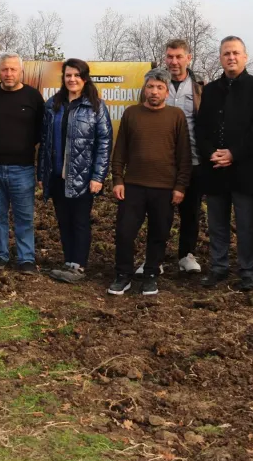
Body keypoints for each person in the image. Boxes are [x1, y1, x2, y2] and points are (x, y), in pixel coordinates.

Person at [195, 36, 253, 291]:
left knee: (247, 224)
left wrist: (233, 153)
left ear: (245, 56)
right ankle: (218, 266)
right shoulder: (211, 90)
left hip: (244, 169)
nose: (231, 57)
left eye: (236, 53)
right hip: (215, 168)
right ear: (220, 58)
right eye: (226, 53)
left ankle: (247, 270)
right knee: (216, 223)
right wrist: (212, 153)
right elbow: (201, 127)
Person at [108, 68, 191, 296]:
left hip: (164, 188)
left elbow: (184, 155)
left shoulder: (176, 116)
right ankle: (123, 275)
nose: (154, 92)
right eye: (150, 87)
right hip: (133, 185)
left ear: (166, 92)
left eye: (160, 88)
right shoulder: (131, 114)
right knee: (125, 232)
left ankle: (151, 275)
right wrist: (118, 179)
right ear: (144, 89)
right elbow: (120, 151)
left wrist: (180, 186)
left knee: (159, 233)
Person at [39, 59, 113, 284]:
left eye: (76, 75)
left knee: (80, 221)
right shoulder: (53, 104)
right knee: (63, 220)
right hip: (56, 175)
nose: (72, 79)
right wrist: (42, 174)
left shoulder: (96, 107)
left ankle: (78, 266)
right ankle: (68, 261)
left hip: (82, 177)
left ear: (85, 78)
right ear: (63, 78)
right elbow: (45, 141)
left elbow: (104, 143)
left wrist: (98, 177)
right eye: (68, 75)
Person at [0, 52, 45, 275]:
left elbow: (41, 131)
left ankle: (26, 258)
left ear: (21, 71)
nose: (8, 74)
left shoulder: (33, 97)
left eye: (13, 69)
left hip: (23, 167)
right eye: (4, 69)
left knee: (24, 215)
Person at [162, 39, 205, 274]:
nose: (174, 61)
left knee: (190, 211)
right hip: (163, 161)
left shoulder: (199, 87)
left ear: (189, 58)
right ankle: (155, 256)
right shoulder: (157, 84)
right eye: (170, 56)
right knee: (161, 211)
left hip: (194, 161)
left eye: (179, 56)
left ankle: (186, 255)